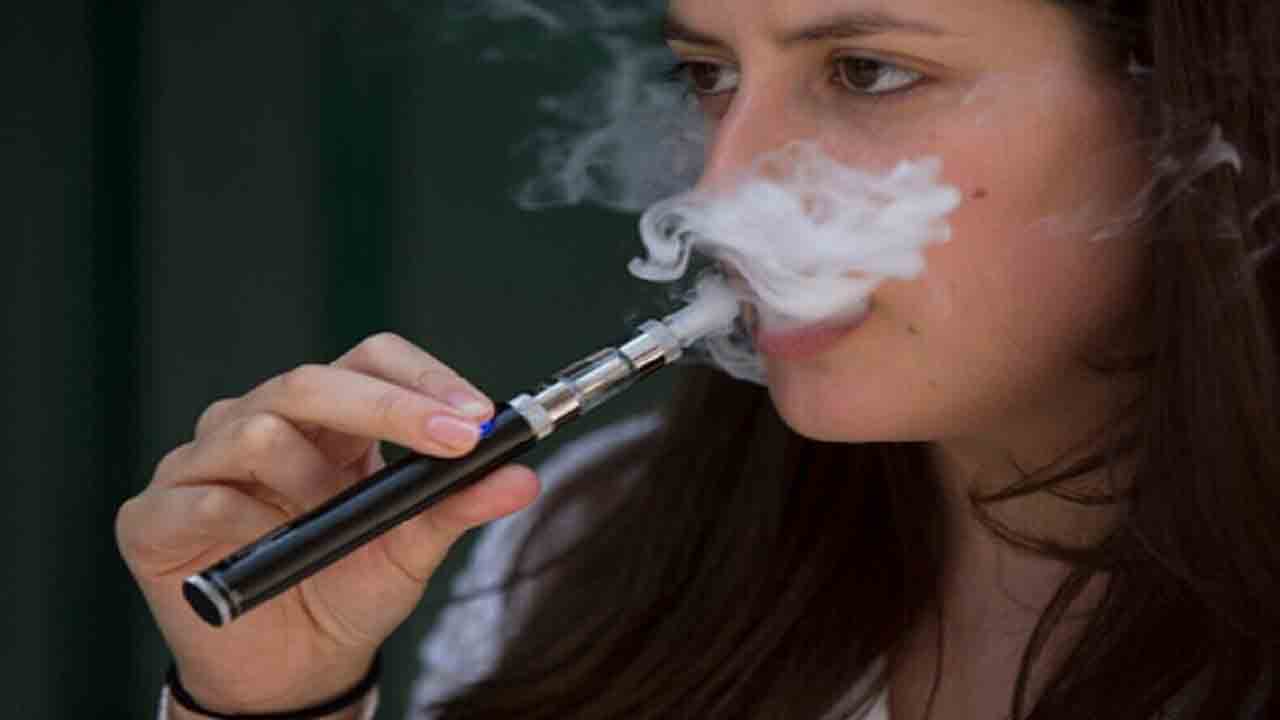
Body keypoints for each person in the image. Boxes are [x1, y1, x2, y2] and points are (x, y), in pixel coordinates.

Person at [118, 0, 1278, 718]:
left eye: (865, 71)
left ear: (1177, 118)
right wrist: (275, 704)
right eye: (707, 75)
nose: (721, 188)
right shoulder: (585, 544)